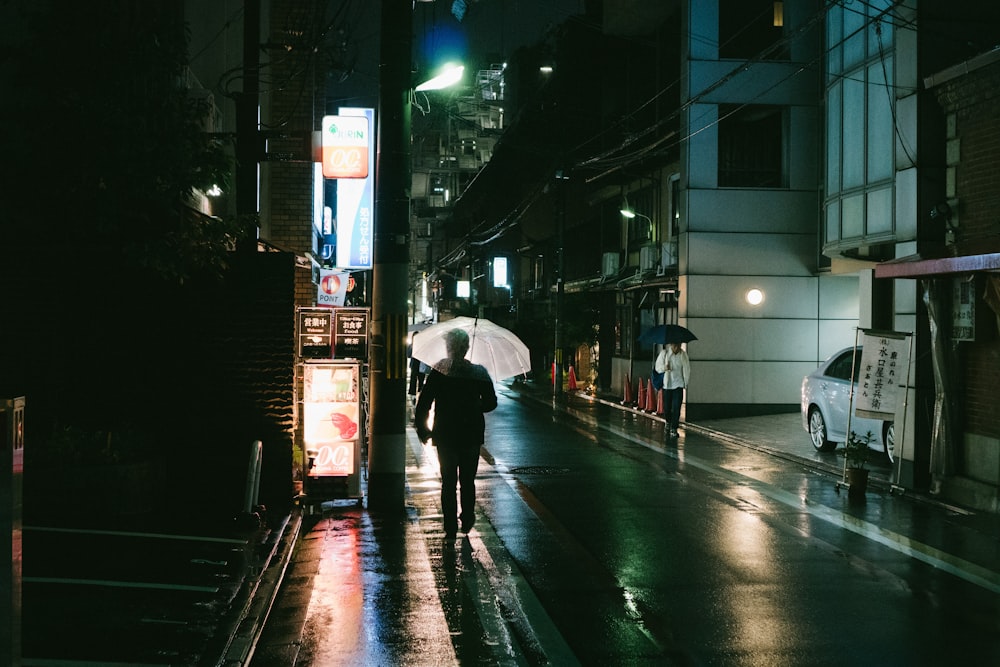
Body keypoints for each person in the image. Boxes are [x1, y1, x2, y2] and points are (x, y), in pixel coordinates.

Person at [414, 328, 498, 538]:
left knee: (448, 482)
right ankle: (467, 518)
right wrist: (475, 405)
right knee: (467, 481)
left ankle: (450, 525)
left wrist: (424, 430)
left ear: (449, 348)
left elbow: (423, 403)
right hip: (470, 434)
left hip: (445, 434)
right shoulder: (478, 373)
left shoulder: (439, 371)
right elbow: (491, 403)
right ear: (467, 348)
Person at [654, 342, 690, 436]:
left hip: (678, 385)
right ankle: (668, 422)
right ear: (671, 345)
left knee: (677, 407)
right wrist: (665, 367)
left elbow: (686, 369)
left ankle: (674, 428)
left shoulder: (683, 355)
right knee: (667, 407)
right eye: (675, 345)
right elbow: (657, 368)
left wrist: (685, 383)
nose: (677, 347)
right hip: (667, 385)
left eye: (679, 345)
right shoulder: (664, 354)